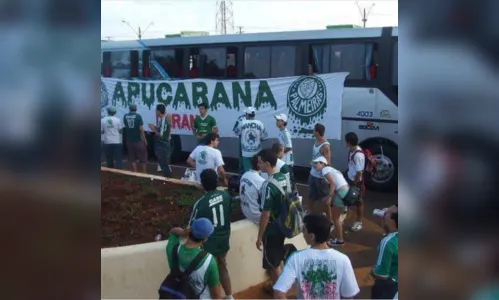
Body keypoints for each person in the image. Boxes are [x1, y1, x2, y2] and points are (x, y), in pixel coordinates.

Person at [273, 214, 360, 299]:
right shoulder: (343, 259)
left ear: (312, 236)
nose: (302, 233)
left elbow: (279, 293)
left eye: (304, 230)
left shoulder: (296, 258)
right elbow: (349, 295)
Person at [189, 169, 233, 300]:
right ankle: (230, 296)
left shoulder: (201, 204)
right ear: (217, 181)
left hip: (208, 245)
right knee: (222, 266)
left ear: (202, 184)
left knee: (211, 275)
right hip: (224, 240)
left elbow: (191, 227)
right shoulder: (225, 196)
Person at [256, 148, 289, 295]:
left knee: (273, 264)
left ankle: (279, 292)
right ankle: (282, 284)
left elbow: (265, 213)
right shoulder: (284, 177)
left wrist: (259, 237)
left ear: (268, 163)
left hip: (272, 230)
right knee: (278, 256)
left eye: (260, 162)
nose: (258, 165)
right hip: (283, 224)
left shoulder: (268, 185)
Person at [165, 218, 223, 299]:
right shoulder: (209, 261)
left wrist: (183, 232)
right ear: (205, 239)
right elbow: (217, 296)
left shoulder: (172, 249)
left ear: (189, 230)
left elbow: (173, 231)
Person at [311, 156, 350, 247]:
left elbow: (333, 183)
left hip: (341, 193)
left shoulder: (325, 170)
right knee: (336, 216)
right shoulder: (332, 169)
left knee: (335, 218)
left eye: (317, 163)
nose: (315, 165)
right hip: (345, 191)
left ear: (323, 163)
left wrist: (329, 196)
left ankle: (340, 240)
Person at [371, 210, 398, 299]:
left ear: (392, 221)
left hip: (389, 289)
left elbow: (381, 274)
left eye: (386, 214)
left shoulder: (388, 242)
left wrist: (373, 271)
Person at [234, 107, 268, 173]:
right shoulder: (260, 123)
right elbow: (265, 137)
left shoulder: (242, 123)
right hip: (257, 153)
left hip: (246, 153)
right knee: (258, 171)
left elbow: (236, 132)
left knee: (248, 172)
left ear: (247, 114)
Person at [308, 123, 332, 215]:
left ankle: (329, 220)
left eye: (314, 130)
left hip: (321, 178)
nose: (313, 132)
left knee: (325, 200)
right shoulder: (316, 141)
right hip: (312, 175)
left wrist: (315, 165)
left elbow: (328, 163)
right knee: (311, 196)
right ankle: (309, 213)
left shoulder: (325, 146)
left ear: (317, 132)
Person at [344, 132, 365, 232]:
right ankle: (344, 212)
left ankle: (359, 222)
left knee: (359, 202)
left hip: (355, 182)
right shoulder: (352, 150)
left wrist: (354, 184)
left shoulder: (358, 155)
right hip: (349, 177)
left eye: (346, 141)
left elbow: (359, 172)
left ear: (349, 142)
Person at [239, 154, 266, 223]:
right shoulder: (261, 181)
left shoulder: (244, 175)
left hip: (244, 211)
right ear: (259, 164)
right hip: (256, 216)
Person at [148, 104, 173, 178]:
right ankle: (167, 177)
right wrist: (155, 127)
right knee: (163, 162)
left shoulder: (164, 120)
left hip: (163, 144)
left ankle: (168, 178)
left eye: (156, 110)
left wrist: (153, 129)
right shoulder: (163, 119)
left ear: (159, 111)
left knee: (163, 163)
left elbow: (162, 135)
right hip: (164, 143)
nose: (155, 112)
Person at [123, 103, 147, 173]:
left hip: (129, 140)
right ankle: (144, 173)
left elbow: (126, 126)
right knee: (143, 157)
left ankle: (135, 172)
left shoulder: (125, 116)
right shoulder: (138, 116)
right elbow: (141, 129)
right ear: (136, 109)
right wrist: (145, 139)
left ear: (129, 109)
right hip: (138, 140)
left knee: (132, 158)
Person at [275, 113, 296, 191]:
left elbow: (289, 147)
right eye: (276, 120)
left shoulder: (285, 133)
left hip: (287, 161)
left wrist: (280, 153)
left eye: (278, 120)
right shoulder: (281, 132)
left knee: (290, 180)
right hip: (283, 160)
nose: (276, 122)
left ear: (283, 122)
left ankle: (294, 196)